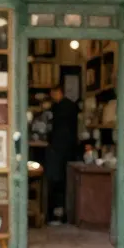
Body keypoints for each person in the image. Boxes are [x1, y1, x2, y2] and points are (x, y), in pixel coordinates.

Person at [45, 84, 79, 225]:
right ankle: (62, 213)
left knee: (57, 179)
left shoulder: (59, 107)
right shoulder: (71, 106)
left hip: (59, 148)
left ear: (58, 92)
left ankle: (56, 213)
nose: (52, 97)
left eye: (53, 94)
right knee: (64, 180)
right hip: (68, 147)